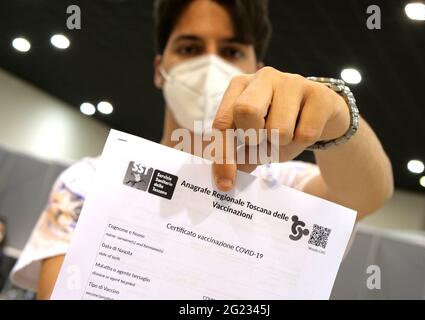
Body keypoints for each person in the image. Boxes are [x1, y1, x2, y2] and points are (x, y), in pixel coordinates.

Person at [10, 0, 393, 300]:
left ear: (256, 67)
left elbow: (367, 194)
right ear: (161, 68)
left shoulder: (286, 186)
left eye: (230, 51)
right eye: (190, 47)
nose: (209, 64)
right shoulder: (92, 180)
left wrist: (338, 118)